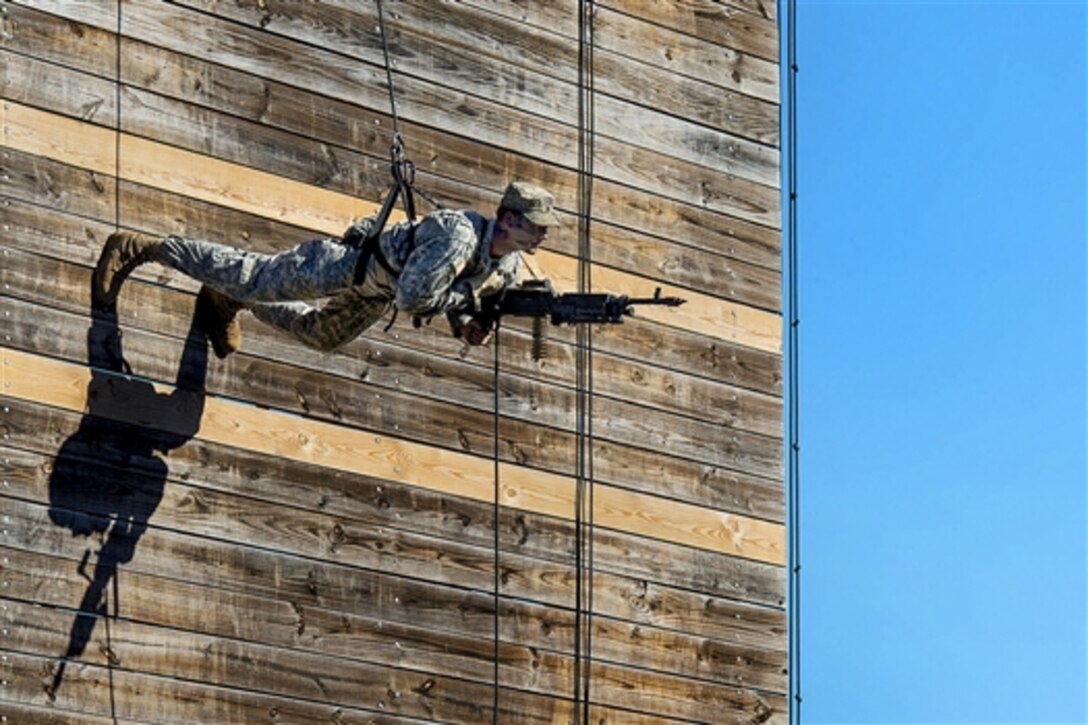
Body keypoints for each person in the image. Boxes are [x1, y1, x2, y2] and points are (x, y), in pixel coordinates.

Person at [92, 181, 559, 358]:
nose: (544, 235)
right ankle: (142, 248)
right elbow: (415, 298)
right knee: (254, 274)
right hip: (350, 268)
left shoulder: (511, 265)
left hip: (374, 294)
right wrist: (467, 303)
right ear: (509, 219)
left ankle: (227, 301)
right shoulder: (460, 235)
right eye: (537, 226)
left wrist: (468, 327)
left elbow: (461, 295)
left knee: (322, 337)